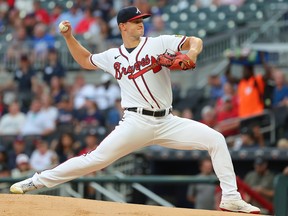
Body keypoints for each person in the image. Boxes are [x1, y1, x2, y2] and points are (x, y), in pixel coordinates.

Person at [10, 6, 260, 214]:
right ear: (122, 27)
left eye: (141, 20)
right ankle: (36, 181)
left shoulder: (159, 43)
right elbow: (86, 60)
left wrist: (192, 52)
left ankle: (230, 197)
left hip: (167, 121)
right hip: (135, 122)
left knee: (216, 139)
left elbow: (195, 41)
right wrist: (68, 38)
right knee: (94, 160)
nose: (140, 24)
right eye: (135, 21)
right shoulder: (112, 56)